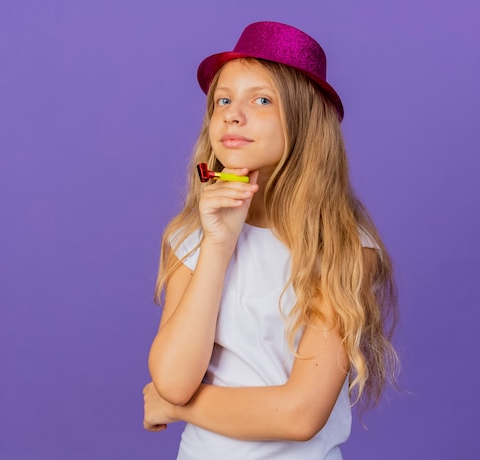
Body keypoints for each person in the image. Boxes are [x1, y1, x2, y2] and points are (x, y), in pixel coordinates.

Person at [143, 21, 400, 459]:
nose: (232, 113)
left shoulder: (344, 249)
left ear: (304, 123)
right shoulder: (190, 238)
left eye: (261, 99)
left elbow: (299, 415)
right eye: (223, 99)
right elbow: (173, 378)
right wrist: (218, 244)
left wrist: (175, 407)